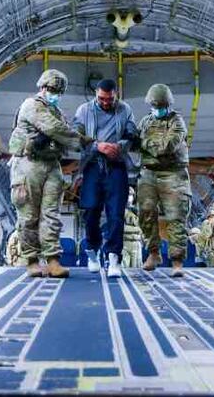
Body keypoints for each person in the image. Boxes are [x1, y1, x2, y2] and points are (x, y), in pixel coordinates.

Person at [8, 69, 93, 278]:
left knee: (51, 215)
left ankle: (53, 260)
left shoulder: (56, 111)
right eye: (52, 89)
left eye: (59, 91)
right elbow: (56, 130)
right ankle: (32, 260)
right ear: (42, 87)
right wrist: (86, 141)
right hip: (29, 165)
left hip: (52, 165)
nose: (55, 94)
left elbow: (61, 132)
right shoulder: (32, 105)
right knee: (29, 215)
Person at [72, 79, 138, 278]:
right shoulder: (84, 111)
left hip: (117, 166)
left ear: (115, 95)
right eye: (101, 98)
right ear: (96, 94)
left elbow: (132, 132)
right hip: (92, 165)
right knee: (91, 211)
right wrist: (97, 146)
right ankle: (92, 251)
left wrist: (120, 146)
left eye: (109, 99)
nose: (105, 102)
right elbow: (75, 137)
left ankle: (113, 257)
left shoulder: (125, 110)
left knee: (116, 214)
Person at [136, 83, 191, 277]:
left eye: (161, 105)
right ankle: (153, 253)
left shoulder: (177, 122)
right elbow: (133, 143)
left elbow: (166, 147)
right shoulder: (145, 122)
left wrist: (143, 142)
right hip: (149, 173)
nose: (158, 109)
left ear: (168, 104)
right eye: (155, 105)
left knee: (176, 217)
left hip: (173, 174)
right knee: (146, 214)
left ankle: (177, 261)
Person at [122, 190, 142, 268]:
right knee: (124, 268)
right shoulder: (118, 210)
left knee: (137, 268)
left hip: (136, 244)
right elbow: (119, 228)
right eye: (127, 195)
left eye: (131, 195)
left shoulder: (137, 210)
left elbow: (142, 228)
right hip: (124, 244)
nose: (129, 198)